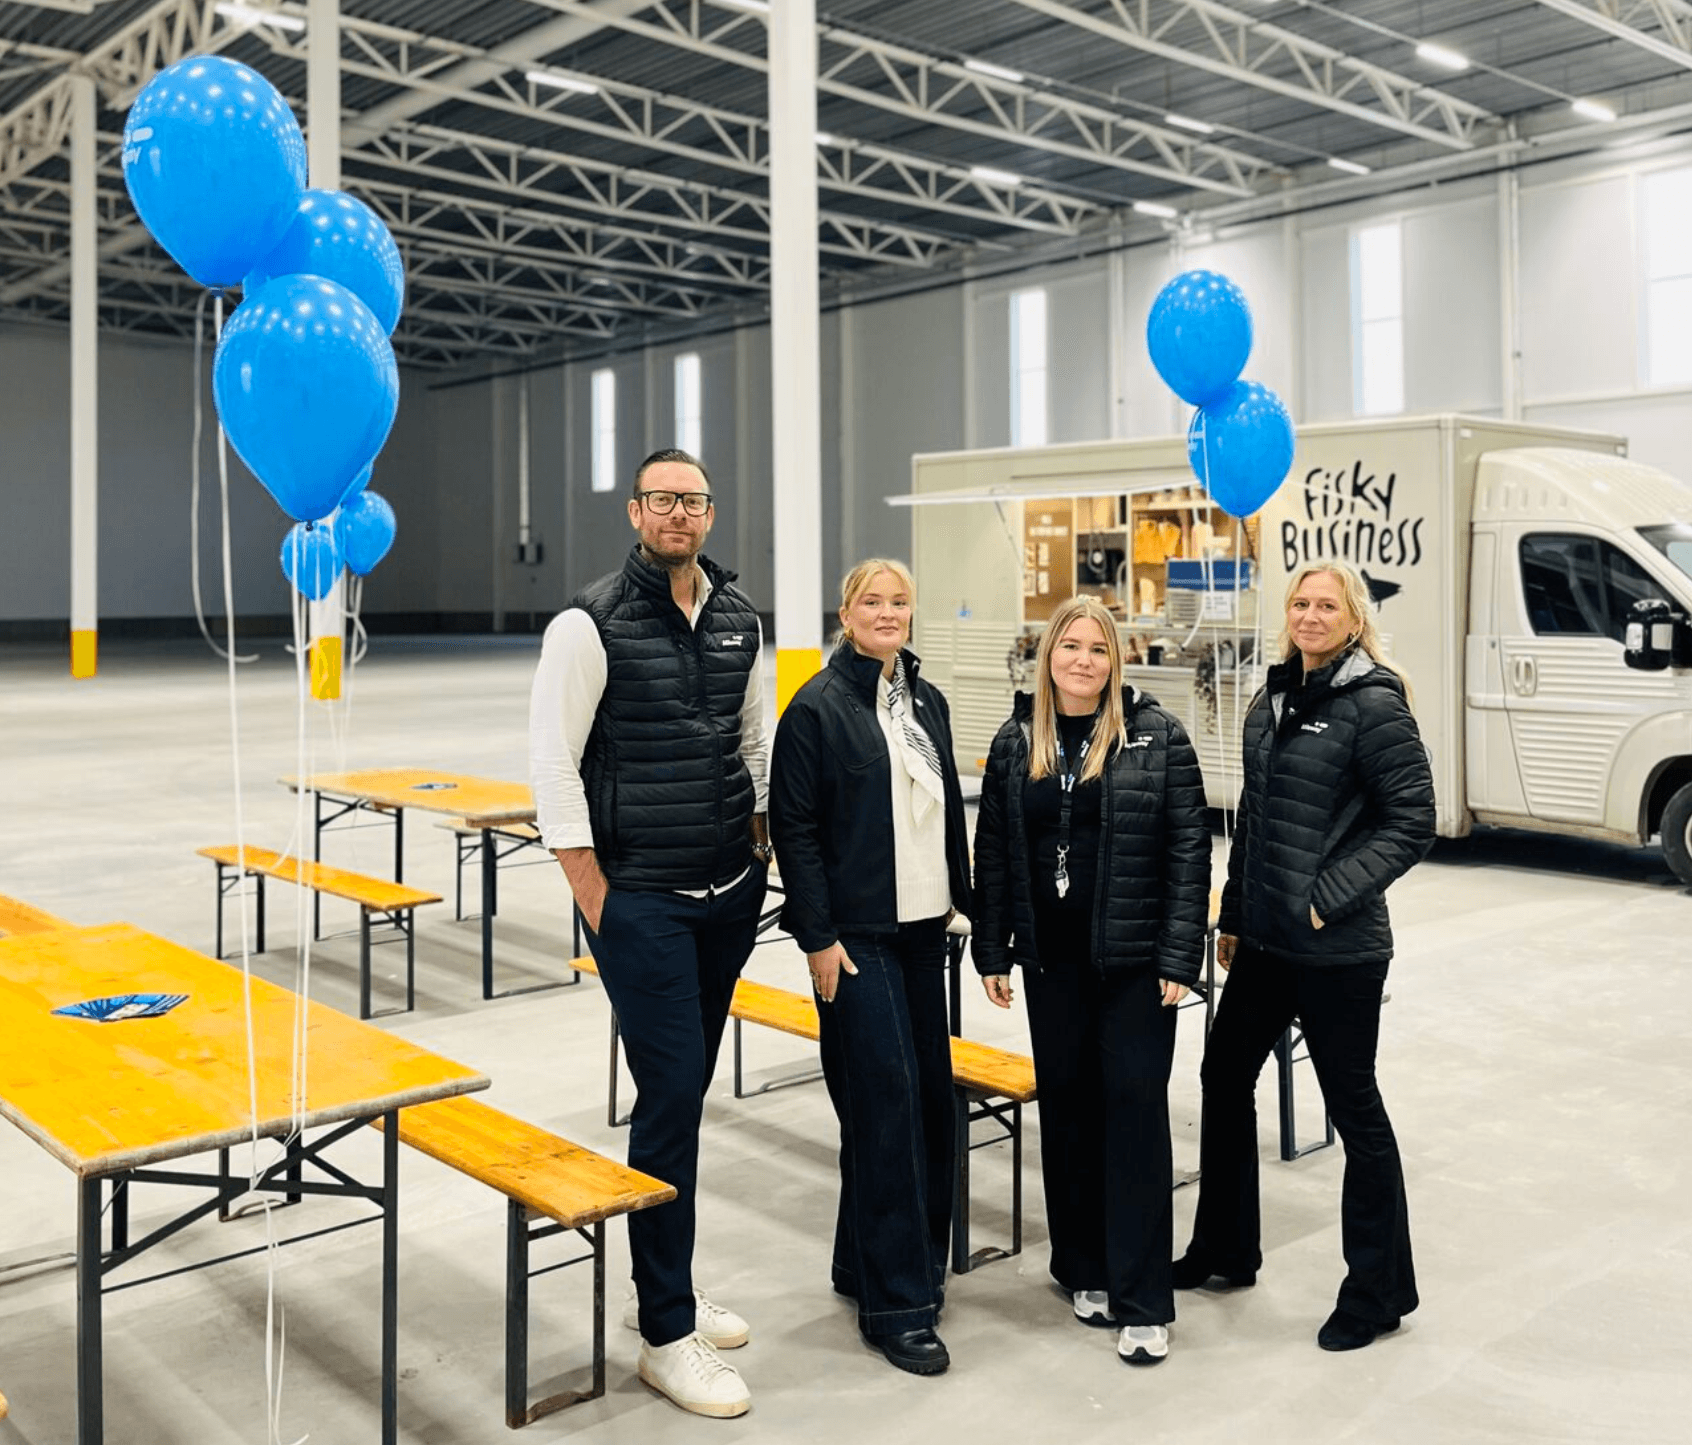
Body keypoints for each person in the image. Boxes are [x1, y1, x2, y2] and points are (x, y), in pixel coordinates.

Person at [529, 447, 770, 1418]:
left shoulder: (738, 619)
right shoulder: (587, 624)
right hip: (646, 903)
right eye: (663, 499)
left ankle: (662, 1284)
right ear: (635, 510)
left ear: (711, 513)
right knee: (670, 1093)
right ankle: (666, 1332)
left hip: (728, 894)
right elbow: (553, 766)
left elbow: (754, 744)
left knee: (682, 1093)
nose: (679, 513)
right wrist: (598, 898)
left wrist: (761, 864)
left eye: (695, 500)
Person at [1173, 558, 1435, 1352]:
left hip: (1339, 949)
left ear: (1354, 619)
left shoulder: (1374, 703)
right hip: (1264, 939)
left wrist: (1327, 895)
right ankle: (1225, 1246)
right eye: (1301, 601)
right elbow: (1256, 813)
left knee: (1355, 1109)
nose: (1311, 614)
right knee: (1223, 1076)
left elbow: (1412, 819)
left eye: (1328, 604)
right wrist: (1231, 909)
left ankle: (1378, 1290)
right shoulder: (1274, 696)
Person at [972, 594, 1210, 1367]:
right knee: (1069, 1112)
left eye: (1098, 649)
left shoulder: (1156, 736)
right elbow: (997, 848)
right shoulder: (1018, 740)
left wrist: (1182, 956)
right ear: (1048, 657)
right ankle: (1083, 1265)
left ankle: (1145, 1299)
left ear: (1117, 661)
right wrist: (993, 947)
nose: (1083, 660)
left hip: (1138, 964)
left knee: (1135, 1116)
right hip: (1053, 963)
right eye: (1069, 646)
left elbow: (1188, 852)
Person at [768, 559, 973, 1376]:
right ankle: (897, 1308)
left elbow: (950, 817)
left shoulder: (926, 703)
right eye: (872, 602)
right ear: (846, 613)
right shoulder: (817, 708)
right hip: (857, 940)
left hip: (927, 934)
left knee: (927, 1105)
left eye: (900, 602)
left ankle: (887, 1266)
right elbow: (796, 828)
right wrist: (816, 935)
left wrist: (974, 916)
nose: (888, 613)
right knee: (884, 1109)